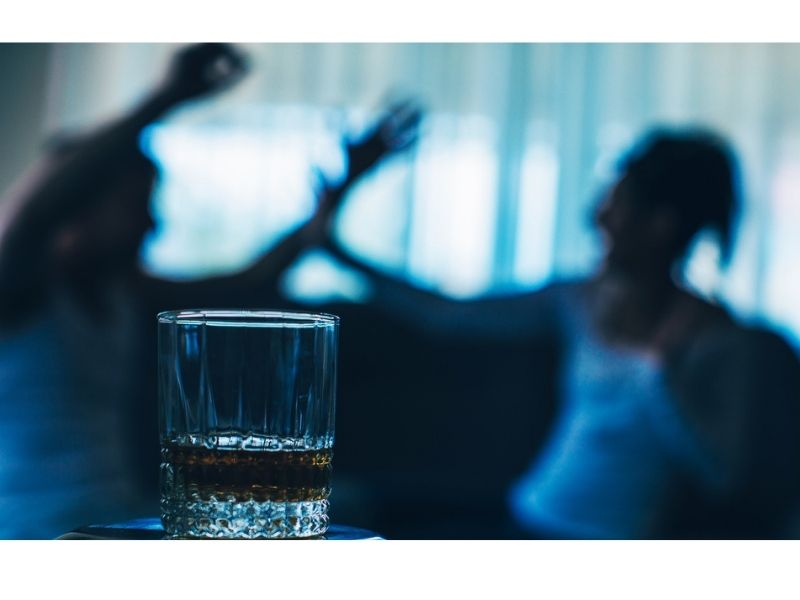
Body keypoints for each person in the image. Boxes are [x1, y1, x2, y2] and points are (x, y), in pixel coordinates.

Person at [0, 43, 419, 538]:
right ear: (80, 207)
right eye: (137, 204)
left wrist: (338, 194)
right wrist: (164, 98)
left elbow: (250, 282)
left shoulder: (123, 293)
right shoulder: (19, 288)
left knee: (355, 509)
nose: (153, 223)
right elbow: (35, 212)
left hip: (114, 513)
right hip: (38, 531)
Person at [320, 128, 800, 539]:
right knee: (355, 511)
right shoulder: (580, 301)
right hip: (528, 515)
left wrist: (663, 383)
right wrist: (335, 250)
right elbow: (447, 312)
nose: (598, 219)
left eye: (617, 206)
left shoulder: (721, 342)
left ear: (660, 225)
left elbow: (728, 479)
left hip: (605, 546)